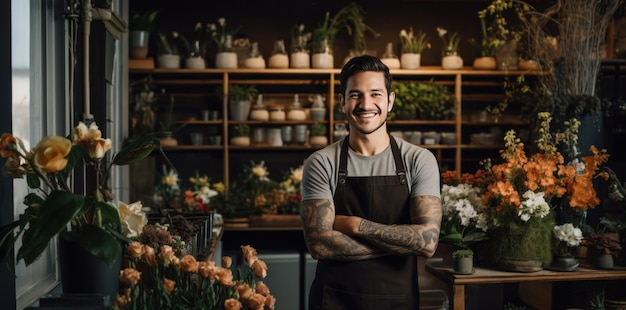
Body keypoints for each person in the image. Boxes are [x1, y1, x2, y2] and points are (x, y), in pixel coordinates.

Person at [300, 55, 443, 310]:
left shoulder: (418, 160)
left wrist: (354, 224)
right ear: (342, 102)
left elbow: (427, 241)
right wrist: (399, 242)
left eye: (376, 94)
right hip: (334, 300)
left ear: (390, 100)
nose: (366, 104)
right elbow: (319, 244)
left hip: (397, 301)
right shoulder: (321, 162)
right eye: (355, 94)